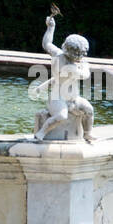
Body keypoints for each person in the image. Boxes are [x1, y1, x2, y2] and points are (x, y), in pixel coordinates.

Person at [31, 14, 93, 142]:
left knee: (89, 109)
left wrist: (77, 68)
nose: (78, 58)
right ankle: (42, 132)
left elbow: (85, 75)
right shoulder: (58, 55)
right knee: (62, 115)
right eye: (76, 55)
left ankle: (87, 133)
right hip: (57, 98)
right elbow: (47, 43)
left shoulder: (81, 63)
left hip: (73, 98)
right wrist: (51, 27)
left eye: (80, 55)